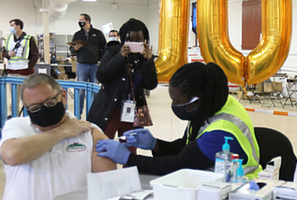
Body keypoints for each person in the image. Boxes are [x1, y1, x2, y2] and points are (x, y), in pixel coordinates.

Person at [95, 62, 263, 178]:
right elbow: (189, 146)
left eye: (178, 101)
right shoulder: (213, 105)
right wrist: (156, 144)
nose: (174, 105)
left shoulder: (221, 132)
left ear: (198, 99)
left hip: (238, 188)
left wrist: (127, 158)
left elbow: (179, 165)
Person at [87, 19, 158, 154]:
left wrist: (149, 61)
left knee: (130, 151)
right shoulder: (113, 51)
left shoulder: (145, 58)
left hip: (134, 113)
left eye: (139, 40)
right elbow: (102, 76)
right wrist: (121, 57)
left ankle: (128, 174)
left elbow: (151, 85)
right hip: (110, 110)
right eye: (131, 40)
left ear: (145, 40)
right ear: (124, 39)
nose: (135, 43)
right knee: (102, 149)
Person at [69, 13, 107, 117]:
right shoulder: (77, 35)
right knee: (81, 91)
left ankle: (94, 113)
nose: (79, 22)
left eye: (81, 19)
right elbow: (72, 49)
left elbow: (104, 48)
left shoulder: (98, 34)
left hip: (95, 65)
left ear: (87, 21)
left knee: (94, 90)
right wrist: (75, 49)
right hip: (82, 65)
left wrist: (101, 61)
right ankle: (78, 113)